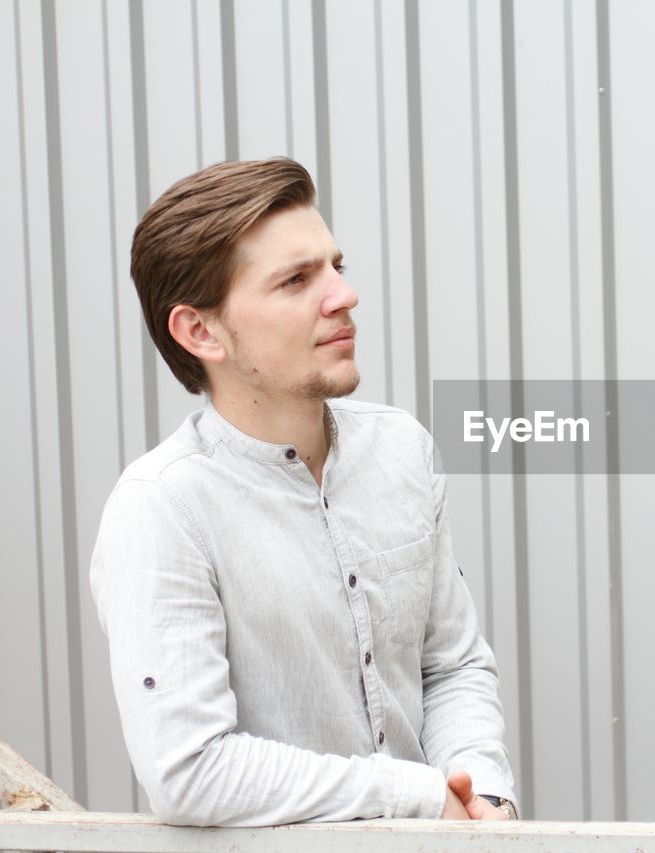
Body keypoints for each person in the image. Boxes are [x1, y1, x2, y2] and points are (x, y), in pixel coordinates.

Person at [89, 158, 517, 826]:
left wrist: (483, 794)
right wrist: (416, 796)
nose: (343, 295)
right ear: (199, 331)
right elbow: (189, 767)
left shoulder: (401, 450)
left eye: (334, 266)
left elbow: (451, 664)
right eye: (296, 280)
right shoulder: (162, 508)